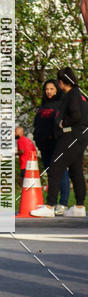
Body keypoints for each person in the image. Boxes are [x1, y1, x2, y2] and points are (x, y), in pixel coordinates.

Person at [31, 67, 88, 218]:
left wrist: (64, 123)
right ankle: (79, 206)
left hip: (71, 136)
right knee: (75, 170)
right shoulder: (80, 94)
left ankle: (50, 206)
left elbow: (76, 115)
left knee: (55, 167)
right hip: (81, 137)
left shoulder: (71, 95)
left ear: (62, 82)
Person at [33, 80, 70, 214]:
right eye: (46, 89)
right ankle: (51, 203)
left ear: (57, 90)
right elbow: (37, 125)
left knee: (60, 172)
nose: (48, 91)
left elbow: (66, 124)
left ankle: (63, 203)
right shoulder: (43, 106)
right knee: (50, 173)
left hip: (57, 143)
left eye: (52, 89)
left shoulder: (62, 104)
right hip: (44, 145)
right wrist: (37, 139)